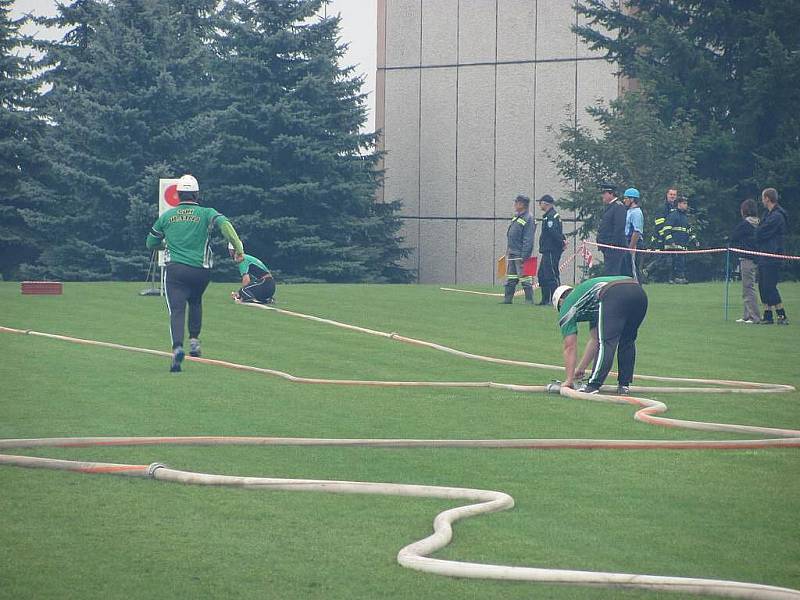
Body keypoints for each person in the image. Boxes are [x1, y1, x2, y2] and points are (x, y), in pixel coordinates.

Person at [146, 174, 244, 372]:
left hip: (175, 271)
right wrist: (238, 248)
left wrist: (166, 244)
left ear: (178, 195)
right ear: (197, 194)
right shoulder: (207, 213)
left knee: (177, 310)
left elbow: (151, 242)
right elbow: (226, 226)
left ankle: (177, 349)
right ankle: (194, 341)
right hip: (201, 271)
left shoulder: (166, 217)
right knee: (196, 301)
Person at [552, 276, 648, 395]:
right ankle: (624, 385)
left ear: (561, 301)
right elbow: (594, 339)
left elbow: (569, 346)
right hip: (638, 291)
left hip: (614, 292)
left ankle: (593, 385)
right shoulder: (591, 301)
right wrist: (580, 369)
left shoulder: (567, 306)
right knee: (627, 340)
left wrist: (569, 380)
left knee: (607, 342)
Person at [755, 188, 789, 325]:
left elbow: (761, 232)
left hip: (772, 254)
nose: (762, 200)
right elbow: (759, 231)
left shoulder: (777, 216)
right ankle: (767, 315)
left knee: (770, 285)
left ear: (767, 198)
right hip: (764, 254)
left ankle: (782, 315)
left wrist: (759, 232)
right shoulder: (767, 215)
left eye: (763, 198)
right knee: (762, 285)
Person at [729, 199, 761, 324]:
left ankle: (754, 316)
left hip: (747, 258)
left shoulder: (745, 224)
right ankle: (747, 315)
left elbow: (734, 236)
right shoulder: (759, 223)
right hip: (755, 257)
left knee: (748, 287)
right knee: (747, 287)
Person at [501, 194, 536, 304]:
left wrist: (524, 256)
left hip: (521, 254)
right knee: (511, 277)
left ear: (522, 204)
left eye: (516, 202)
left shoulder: (528, 218)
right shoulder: (517, 216)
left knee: (525, 278)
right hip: (513, 252)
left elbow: (528, 239)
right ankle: (507, 299)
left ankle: (529, 300)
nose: (515, 204)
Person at [642, 187, 678, 281]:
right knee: (661, 258)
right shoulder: (663, 207)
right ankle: (646, 271)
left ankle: (670, 279)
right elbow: (659, 223)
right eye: (671, 194)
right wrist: (664, 236)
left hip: (670, 236)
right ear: (667, 195)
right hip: (661, 237)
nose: (672, 196)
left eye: (674, 194)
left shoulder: (674, 207)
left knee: (670, 258)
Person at [536, 194, 566, 305]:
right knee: (542, 275)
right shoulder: (548, 216)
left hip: (551, 250)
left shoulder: (552, 216)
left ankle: (556, 299)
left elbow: (554, 232)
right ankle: (545, 300)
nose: (540, 204)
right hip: (546, 250)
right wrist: (563, 239)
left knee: (552, 274)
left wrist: (562, 242)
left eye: (541, 202)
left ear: (546, 203)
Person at [662, 196, 697, 284]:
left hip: (681, 245)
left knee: (681, 263)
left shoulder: (684, 217)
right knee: (672, 263)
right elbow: (666, 229)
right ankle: (671, 279)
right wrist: (671, 242)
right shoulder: (673, 215)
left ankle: (680, 278)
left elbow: (688, 230)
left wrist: (694, 240)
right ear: (679, 204)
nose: (686, 205)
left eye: (686, 203)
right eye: (684, 203)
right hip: (672, 246)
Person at [596, 182, 627, 276]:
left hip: (614, 248)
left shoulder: (618, 207)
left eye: (604, 193)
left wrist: (611, 245)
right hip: (608, 247)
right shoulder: (610, 207)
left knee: (612, 273)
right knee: (609, 272)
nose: (603, 196)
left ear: (611, 193)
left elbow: (619, 228)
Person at [621, 188, 644, 281]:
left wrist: (631, 247)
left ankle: (638, 289)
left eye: (626, 198)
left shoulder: (636, 212)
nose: (624, 200)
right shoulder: (629, 211)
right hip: (628, 242)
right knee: (627, 270)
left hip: (634, 243)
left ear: (632, 199)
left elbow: (637, 231)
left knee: (634, 271)